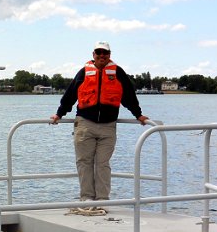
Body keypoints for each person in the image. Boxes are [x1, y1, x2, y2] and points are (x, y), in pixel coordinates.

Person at [50, 41, 149, 213]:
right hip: (85, 124)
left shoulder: (118, 73)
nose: (102, 56)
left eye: (105, 53)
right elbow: (70, 95)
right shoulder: (83, 72)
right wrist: (59, 114)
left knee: (103, 164)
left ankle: (103, 200)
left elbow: (129, 96)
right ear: (93, 54)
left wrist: (138, 115)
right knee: (84, 162)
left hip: (108, 126)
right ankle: (86, 198)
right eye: (99, 52)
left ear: (109, 55)